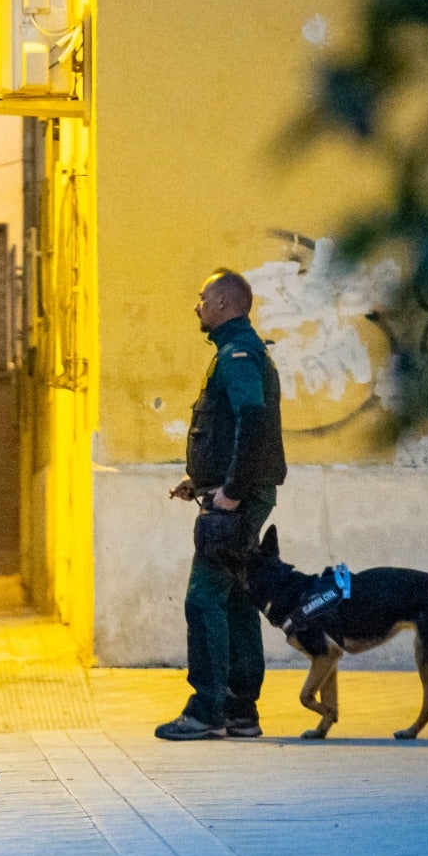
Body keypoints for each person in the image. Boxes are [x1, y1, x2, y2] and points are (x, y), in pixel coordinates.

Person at [156, 269, 287, 741]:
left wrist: (230, 492)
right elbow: (232, 428)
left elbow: (252, 422)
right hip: (235, 493)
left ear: (225, 304)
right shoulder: (238, 352)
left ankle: (206, 710)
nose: (197, 305)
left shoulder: (236, 354)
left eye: (202, 297)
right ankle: (240, 710)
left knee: (204, 598)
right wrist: (203, 483)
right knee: (234, 600)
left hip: (239, 500)